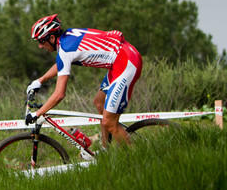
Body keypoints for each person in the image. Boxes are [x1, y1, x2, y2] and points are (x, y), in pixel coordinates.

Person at [24, 14, 142, 146]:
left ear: (51, 38)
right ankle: (105, 150)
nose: (40, 46)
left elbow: (59, 94)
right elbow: (62, 63)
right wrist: (40, 80)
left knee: (109, 122)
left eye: (41, 41)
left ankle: (135, 157)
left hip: (126, 63)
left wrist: (37, 114)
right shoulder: (67, 37)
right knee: (99, 102)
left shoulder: (65, 50)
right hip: (121, 58)